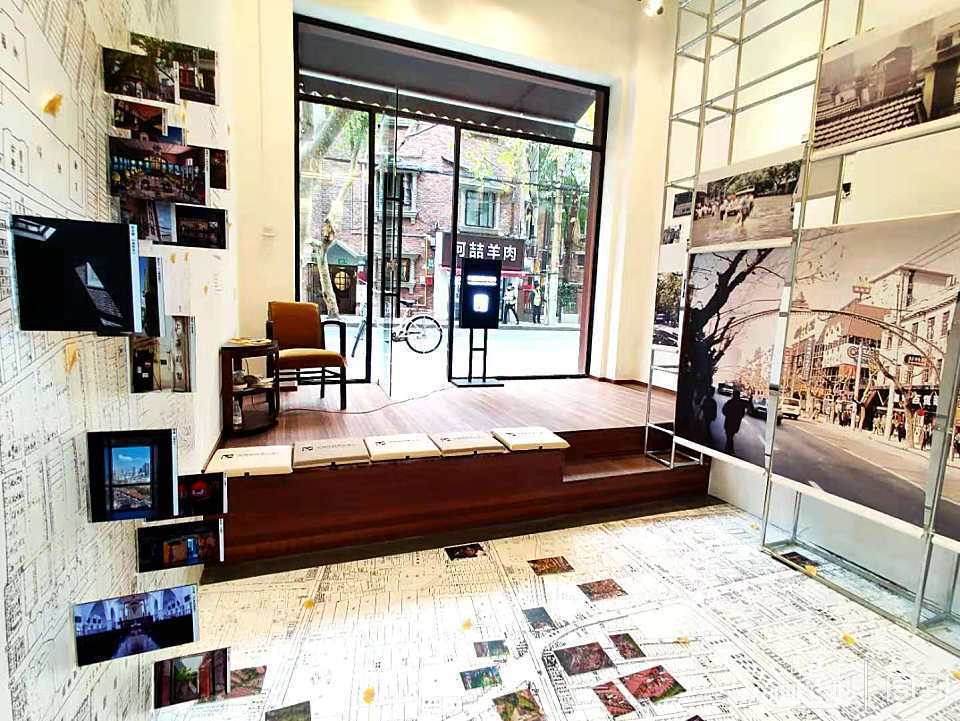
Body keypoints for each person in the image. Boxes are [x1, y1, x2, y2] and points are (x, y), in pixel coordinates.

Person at [722, 389, 751, 454]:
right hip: (735, 424)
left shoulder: (729, 402)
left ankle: (727, 450)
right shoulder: (741, 404)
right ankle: (730, 449)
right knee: (730, 436)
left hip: (729, 422)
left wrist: (728, 415)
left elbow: (724, 410)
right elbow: (742, 414)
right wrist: (738, 418)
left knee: (729, 436)